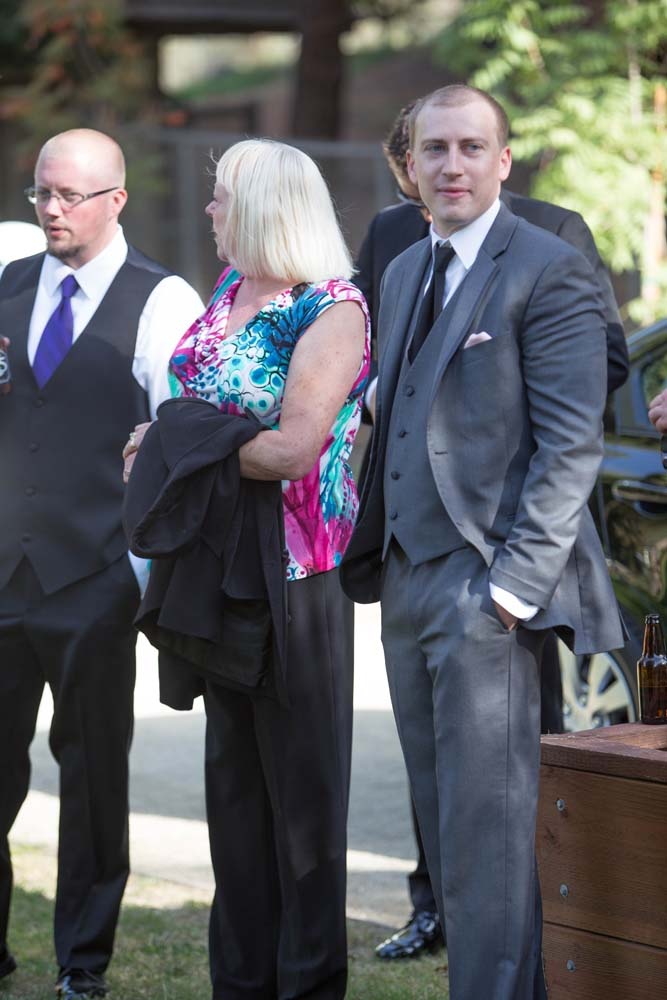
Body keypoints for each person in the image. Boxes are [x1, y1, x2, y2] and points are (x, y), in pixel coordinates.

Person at [340, 84, 625, 1000]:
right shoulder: (401, 269)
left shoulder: (548, 268)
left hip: (487, 592)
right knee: (445, 834)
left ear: (502, 161)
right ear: (410, 163)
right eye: (434, 149)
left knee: (491, 843)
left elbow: (570, 444)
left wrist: (510, 590)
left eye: (470, 148)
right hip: (407, 581)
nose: (451, 165)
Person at [123, 138, 370, 1000]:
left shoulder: (331, 308)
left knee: (301, 809)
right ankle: (240, 986)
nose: (209, 210)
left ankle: (308, 987)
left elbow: (293, 450)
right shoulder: (230, 289)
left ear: (264, 207)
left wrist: (170, 444)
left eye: (221, 196)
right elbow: (203, 410)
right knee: (233, 795)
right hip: (216, 562)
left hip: (294, 574)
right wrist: (174, 440)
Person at [0, 128, 204, 1000]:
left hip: (94, 577)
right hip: (3, 573)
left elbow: (182, 440)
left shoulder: (162, 300)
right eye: (40, 193)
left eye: (69, 195)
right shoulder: (8, 285)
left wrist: (138, 571)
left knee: (90, 777)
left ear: (115, 200)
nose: (51, 209)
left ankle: (82, 964)